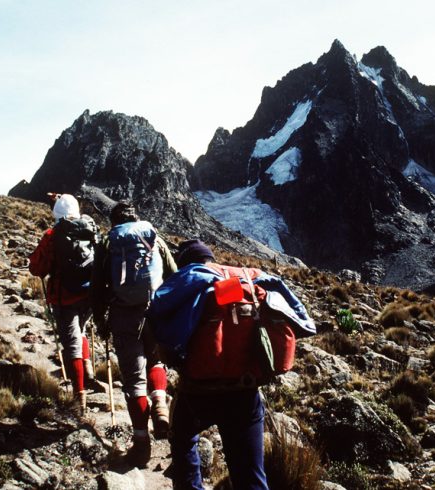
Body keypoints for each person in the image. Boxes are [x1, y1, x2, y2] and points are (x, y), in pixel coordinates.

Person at [147, 239, 316, 490]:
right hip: (245, 390)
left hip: (198, 390)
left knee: (183, 441)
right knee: (250, 472)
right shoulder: (250, 277)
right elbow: (299, 316)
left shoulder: (190, 276)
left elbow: (156, 312)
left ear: (185, 262)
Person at [91, 201, 178, 467]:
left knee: (133, 381)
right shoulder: (154, 238)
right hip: (155, 312)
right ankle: (161, 405)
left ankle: (141, 446)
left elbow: (97, 287)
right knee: (156, 362)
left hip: (124, 316)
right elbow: (174, 275)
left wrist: (101, 320)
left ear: (114, 220)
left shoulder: (109, 243)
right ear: (136, 217)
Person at [28, 194, 105, 405]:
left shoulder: (52, 235)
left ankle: (79, 397)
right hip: (89, 295)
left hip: (64, 297)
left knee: (71, 344)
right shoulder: (90, 228)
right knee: (80, 331)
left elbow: (37, 267)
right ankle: (88, 372)